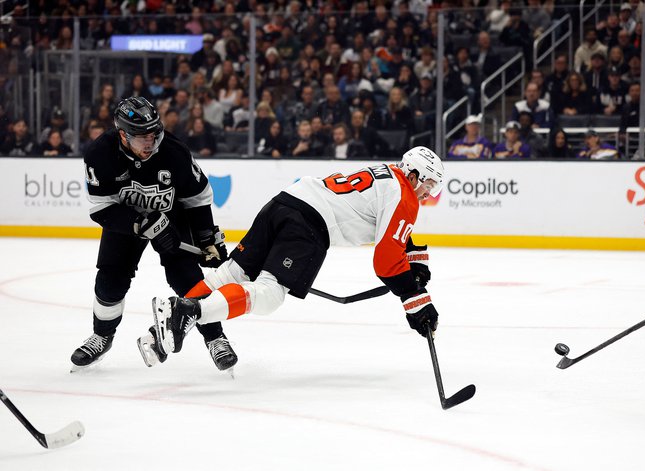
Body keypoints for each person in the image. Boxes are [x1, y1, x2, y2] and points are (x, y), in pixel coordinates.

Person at [145, 147, 444, 360]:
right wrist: (414, 298)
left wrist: (414, 257)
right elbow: (386, 262)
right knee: (270, 294)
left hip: (286, 202)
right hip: (310, 225)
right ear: (414, 175)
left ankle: (161, 328)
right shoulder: (406, 196)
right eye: (428, 184)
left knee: (231, 273)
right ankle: (191, 311)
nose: (429, 193)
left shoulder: (389, 173)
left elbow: (389, 227)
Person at [72, 97, 237, 373]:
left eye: (153, 133)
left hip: (172, 217)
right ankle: (102, 337)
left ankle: (216, 338)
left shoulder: (174, 152)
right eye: (140, 137)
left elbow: (198, 198)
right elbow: (101, 209)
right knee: (110, 281)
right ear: (123, 135)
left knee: (188, 279)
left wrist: (207, 238)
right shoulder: (99, 154)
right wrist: (140, 223)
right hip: (126, 222)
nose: (149, 142)